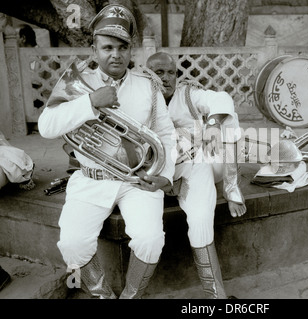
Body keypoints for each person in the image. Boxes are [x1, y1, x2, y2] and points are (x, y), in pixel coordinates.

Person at [38, 4, 176, 299]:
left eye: (122, 47)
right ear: (95, 48)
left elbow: (166, 135)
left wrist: (164, 175)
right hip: (91, 178)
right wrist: (89, 102)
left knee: (151, 240)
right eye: (108, 47)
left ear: (131, 50)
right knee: (72, 243)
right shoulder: (77, 81)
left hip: (136, 180)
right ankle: (103, 295)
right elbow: (47, 126)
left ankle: (130, 296)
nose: (116, 54)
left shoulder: (147, 85)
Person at [146, 52, 246, 299]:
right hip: (159, 173)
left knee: (230, 123)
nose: (166, 78)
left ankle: (217, 299)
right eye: (159, 72)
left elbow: (222, 98)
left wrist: (212, 124)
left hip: (199, 162)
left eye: (171, 72)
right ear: (147, 75)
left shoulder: (187, 93)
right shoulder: (139, 99)